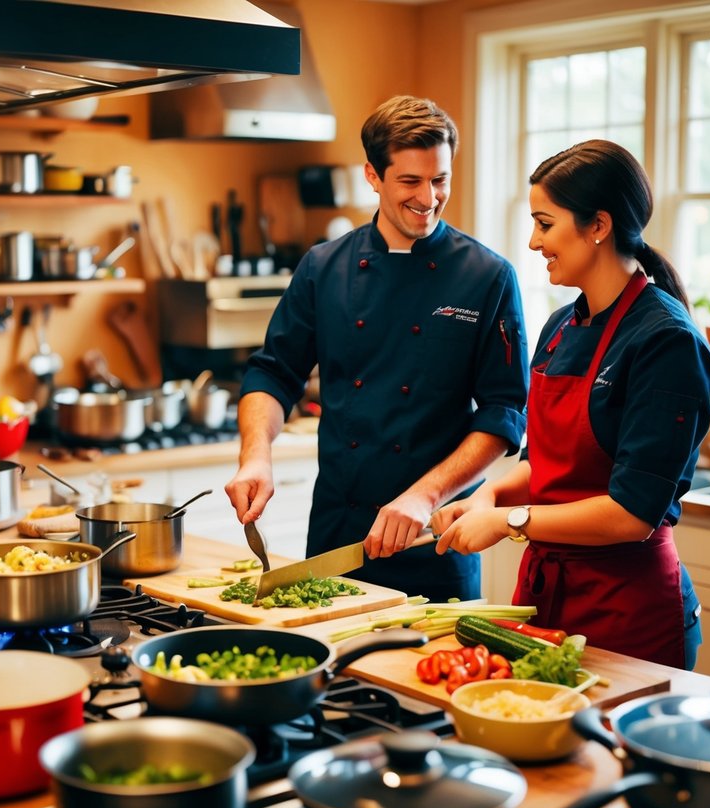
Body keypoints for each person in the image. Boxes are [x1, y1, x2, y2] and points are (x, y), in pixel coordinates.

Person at [225, 95, 528, 601]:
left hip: (434, 534)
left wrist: (424, 496)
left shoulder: (487, 276)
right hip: (338, 532)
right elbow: (273, 375)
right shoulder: (324, 268)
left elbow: (503, 414)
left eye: (441, 180)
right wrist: (255, 456)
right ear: (373, 176)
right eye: (410, 181)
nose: (429, 198)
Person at [430, 139, 710, 669]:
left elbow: (632, 514)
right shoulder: (562, 326)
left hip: (630, 613)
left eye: (545, 223)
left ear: (598, 226)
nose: (534, 241)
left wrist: (509, 522)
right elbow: (542, 463)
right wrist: (485, 497)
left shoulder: (666, 342)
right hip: (548, 602)